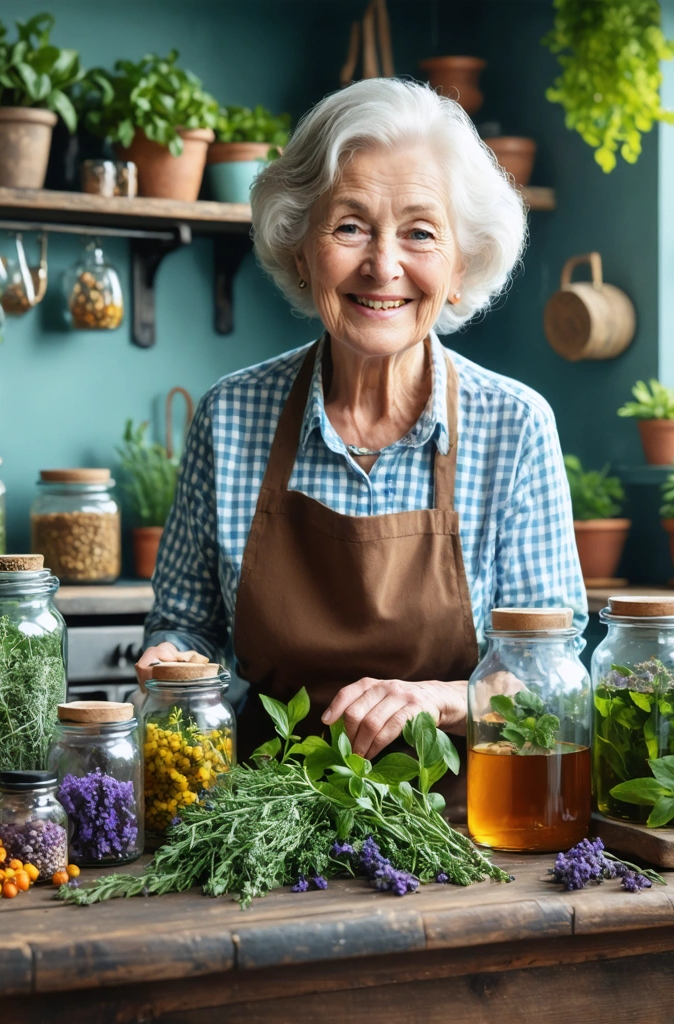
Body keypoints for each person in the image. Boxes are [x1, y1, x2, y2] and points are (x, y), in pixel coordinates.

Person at [136, 77, 586, 759]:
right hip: (263, 819)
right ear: (301, 248)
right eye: (349, 226)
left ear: (462, 265)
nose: (383, 265)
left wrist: (443, 699)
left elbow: (551, 681)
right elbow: (185, 627)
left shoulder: (514, 426)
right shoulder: (231, 417)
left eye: (420, 233)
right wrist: (172, 659)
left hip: (464, 828)